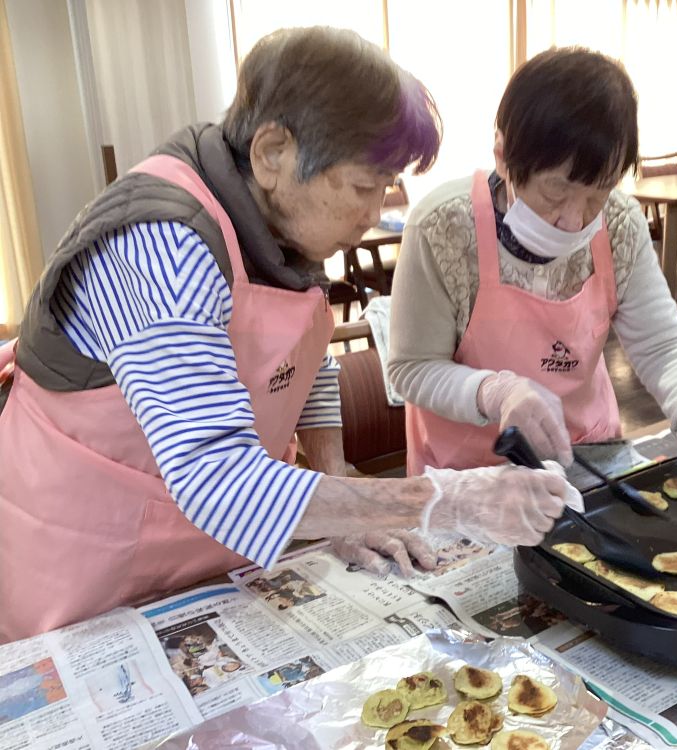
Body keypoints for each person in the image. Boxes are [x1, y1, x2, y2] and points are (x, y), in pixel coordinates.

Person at [0, 27, 580, 644]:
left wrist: (340, 492)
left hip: (207, 556)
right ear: (273, 152)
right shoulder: (162, 243)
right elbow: (217, 477)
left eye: (385, 187)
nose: (371, 212)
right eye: (364, 186)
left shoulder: (279, 229)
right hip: (92, 561)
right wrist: (444, 500)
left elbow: (301, 368)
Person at [389, 47, 677, 530]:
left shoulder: (620, 223)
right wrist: (496, 392)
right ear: (503, 154)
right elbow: (411, 369)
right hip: (471, 480)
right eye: (556, 191)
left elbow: (664, 344)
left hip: (585, 463)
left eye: (597, 194)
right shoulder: (442, 227)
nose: (574, 219)